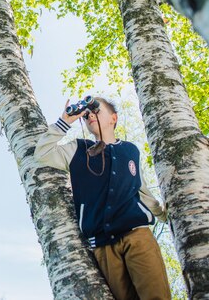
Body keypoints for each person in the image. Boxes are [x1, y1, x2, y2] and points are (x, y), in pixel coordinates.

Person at [35, 97, 171, 300]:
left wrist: (164, 216)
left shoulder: (130, 150)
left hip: (137, 235)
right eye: (87, 113)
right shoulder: (78, 149)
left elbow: (141, 189)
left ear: (113, 118)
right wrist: (66, 120)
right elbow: (42, 153)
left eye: (96, 110)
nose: (90, 115)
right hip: (102, 245)